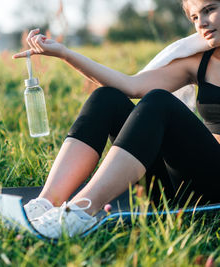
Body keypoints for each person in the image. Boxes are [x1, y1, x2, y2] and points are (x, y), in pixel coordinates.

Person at [12, 0, 220, 239]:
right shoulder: (199, 62)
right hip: (180, 188)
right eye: (194, 17)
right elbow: (130, 85)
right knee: (107, 98)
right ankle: (45, 204)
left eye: (209, 10)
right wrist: (64, 53)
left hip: (215, 190)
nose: (201, 23)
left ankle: (79, 211)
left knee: (160, 103)